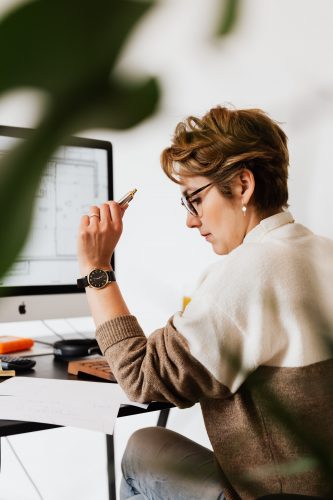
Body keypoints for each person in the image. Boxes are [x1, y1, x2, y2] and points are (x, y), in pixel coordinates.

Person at [77, 106, 333, 499]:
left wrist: (98, 269)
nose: (191, 220)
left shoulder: (252, 270)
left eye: (194, 198)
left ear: (243, 185)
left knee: (142, 448)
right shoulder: (322, 252)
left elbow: (141, 379)